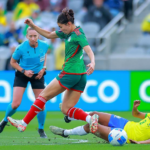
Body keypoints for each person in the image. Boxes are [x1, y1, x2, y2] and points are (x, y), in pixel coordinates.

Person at [7, 7, 98, 134]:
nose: (60, 29)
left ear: (69, 24)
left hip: (70, 72)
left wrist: (93, 62)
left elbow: (88, 49)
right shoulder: (69, 32)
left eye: (61, 26)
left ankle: (23, 123)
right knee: (66, 109)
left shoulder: (77, 35)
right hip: (81, 76)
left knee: (43, 96)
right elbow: (49, 35)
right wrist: (33, 25)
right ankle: (90, 118)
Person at [0, 27, 49, 138]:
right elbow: (13, 62)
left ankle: (41, 129)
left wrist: (43, 68)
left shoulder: (44, 45)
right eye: (30, 36)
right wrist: (24, 71)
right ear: (26, 37)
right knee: (16, 104)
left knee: (41, 105)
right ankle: (4, 121)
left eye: (35, 36)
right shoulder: (21, 48)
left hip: (38, 75)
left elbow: (44, 54)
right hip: (22, 74)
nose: (33, 38)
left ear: (38, 36)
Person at [50, 100, 150, 144]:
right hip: (125, 123)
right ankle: (70, 117)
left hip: (125, 135)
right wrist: (135, 109)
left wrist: (139, 143)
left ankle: (65, 133)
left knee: (91, 126)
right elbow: (136, 115)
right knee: (94, 114)